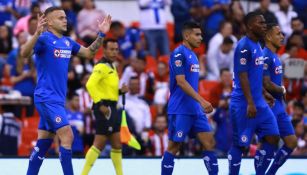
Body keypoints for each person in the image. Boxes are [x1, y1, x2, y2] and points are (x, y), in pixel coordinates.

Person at [21, 6, 111, 175]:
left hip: (57, 100)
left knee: (44, 142)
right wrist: (36, 34)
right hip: (46, 97)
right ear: (48, 22)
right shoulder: (43, 39)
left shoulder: (68, 42)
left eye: (65, 17)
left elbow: (89, 53)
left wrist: (102, 35)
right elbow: (24, 53)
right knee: (67, 135)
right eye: (60, 18)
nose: (65, 20)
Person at [161, 21, 218, 175]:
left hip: (195, 110)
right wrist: (202, 100)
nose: (201, 38)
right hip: (180, 109)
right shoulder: (178, 53)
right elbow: (181, 81)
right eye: (197, 34)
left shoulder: (194, 54)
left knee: (209, 143)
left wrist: (198, 103)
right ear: (186, 35)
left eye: (201, 34)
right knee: (174, 147)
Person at [227, 12, 280, 175]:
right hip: (243, 104)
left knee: (273, 137)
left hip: (259, 102)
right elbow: (242, 76)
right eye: (260, 23)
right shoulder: (244, 46)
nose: (265, 26)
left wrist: (264, 93)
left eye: (265, 23)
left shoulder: (258, 45)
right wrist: (250, 102)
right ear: (250, 26)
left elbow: (254, 76)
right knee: (241, 145)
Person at [81, 38, 128, 175]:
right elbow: (90, 85)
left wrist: (120, 92)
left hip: (112, 107)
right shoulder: (101, 66)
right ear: (104, 50)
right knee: (99, 143)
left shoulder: (112, 66)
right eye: (111, 49)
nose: (114, 52)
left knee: (117, 144)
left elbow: (106, 89)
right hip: (104, 108)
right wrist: (100, 104)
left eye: (116, 49)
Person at [263, 23, 298, 174]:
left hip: (279, 106)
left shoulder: (275, 56)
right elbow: (265, 82)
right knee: (270, 141)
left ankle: (271, 173)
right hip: (270, 106)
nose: (282, 37)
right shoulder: (265, 55)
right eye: (278, 34)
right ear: (269, 37)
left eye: (282, 34)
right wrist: (281, 89)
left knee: (291, 142)